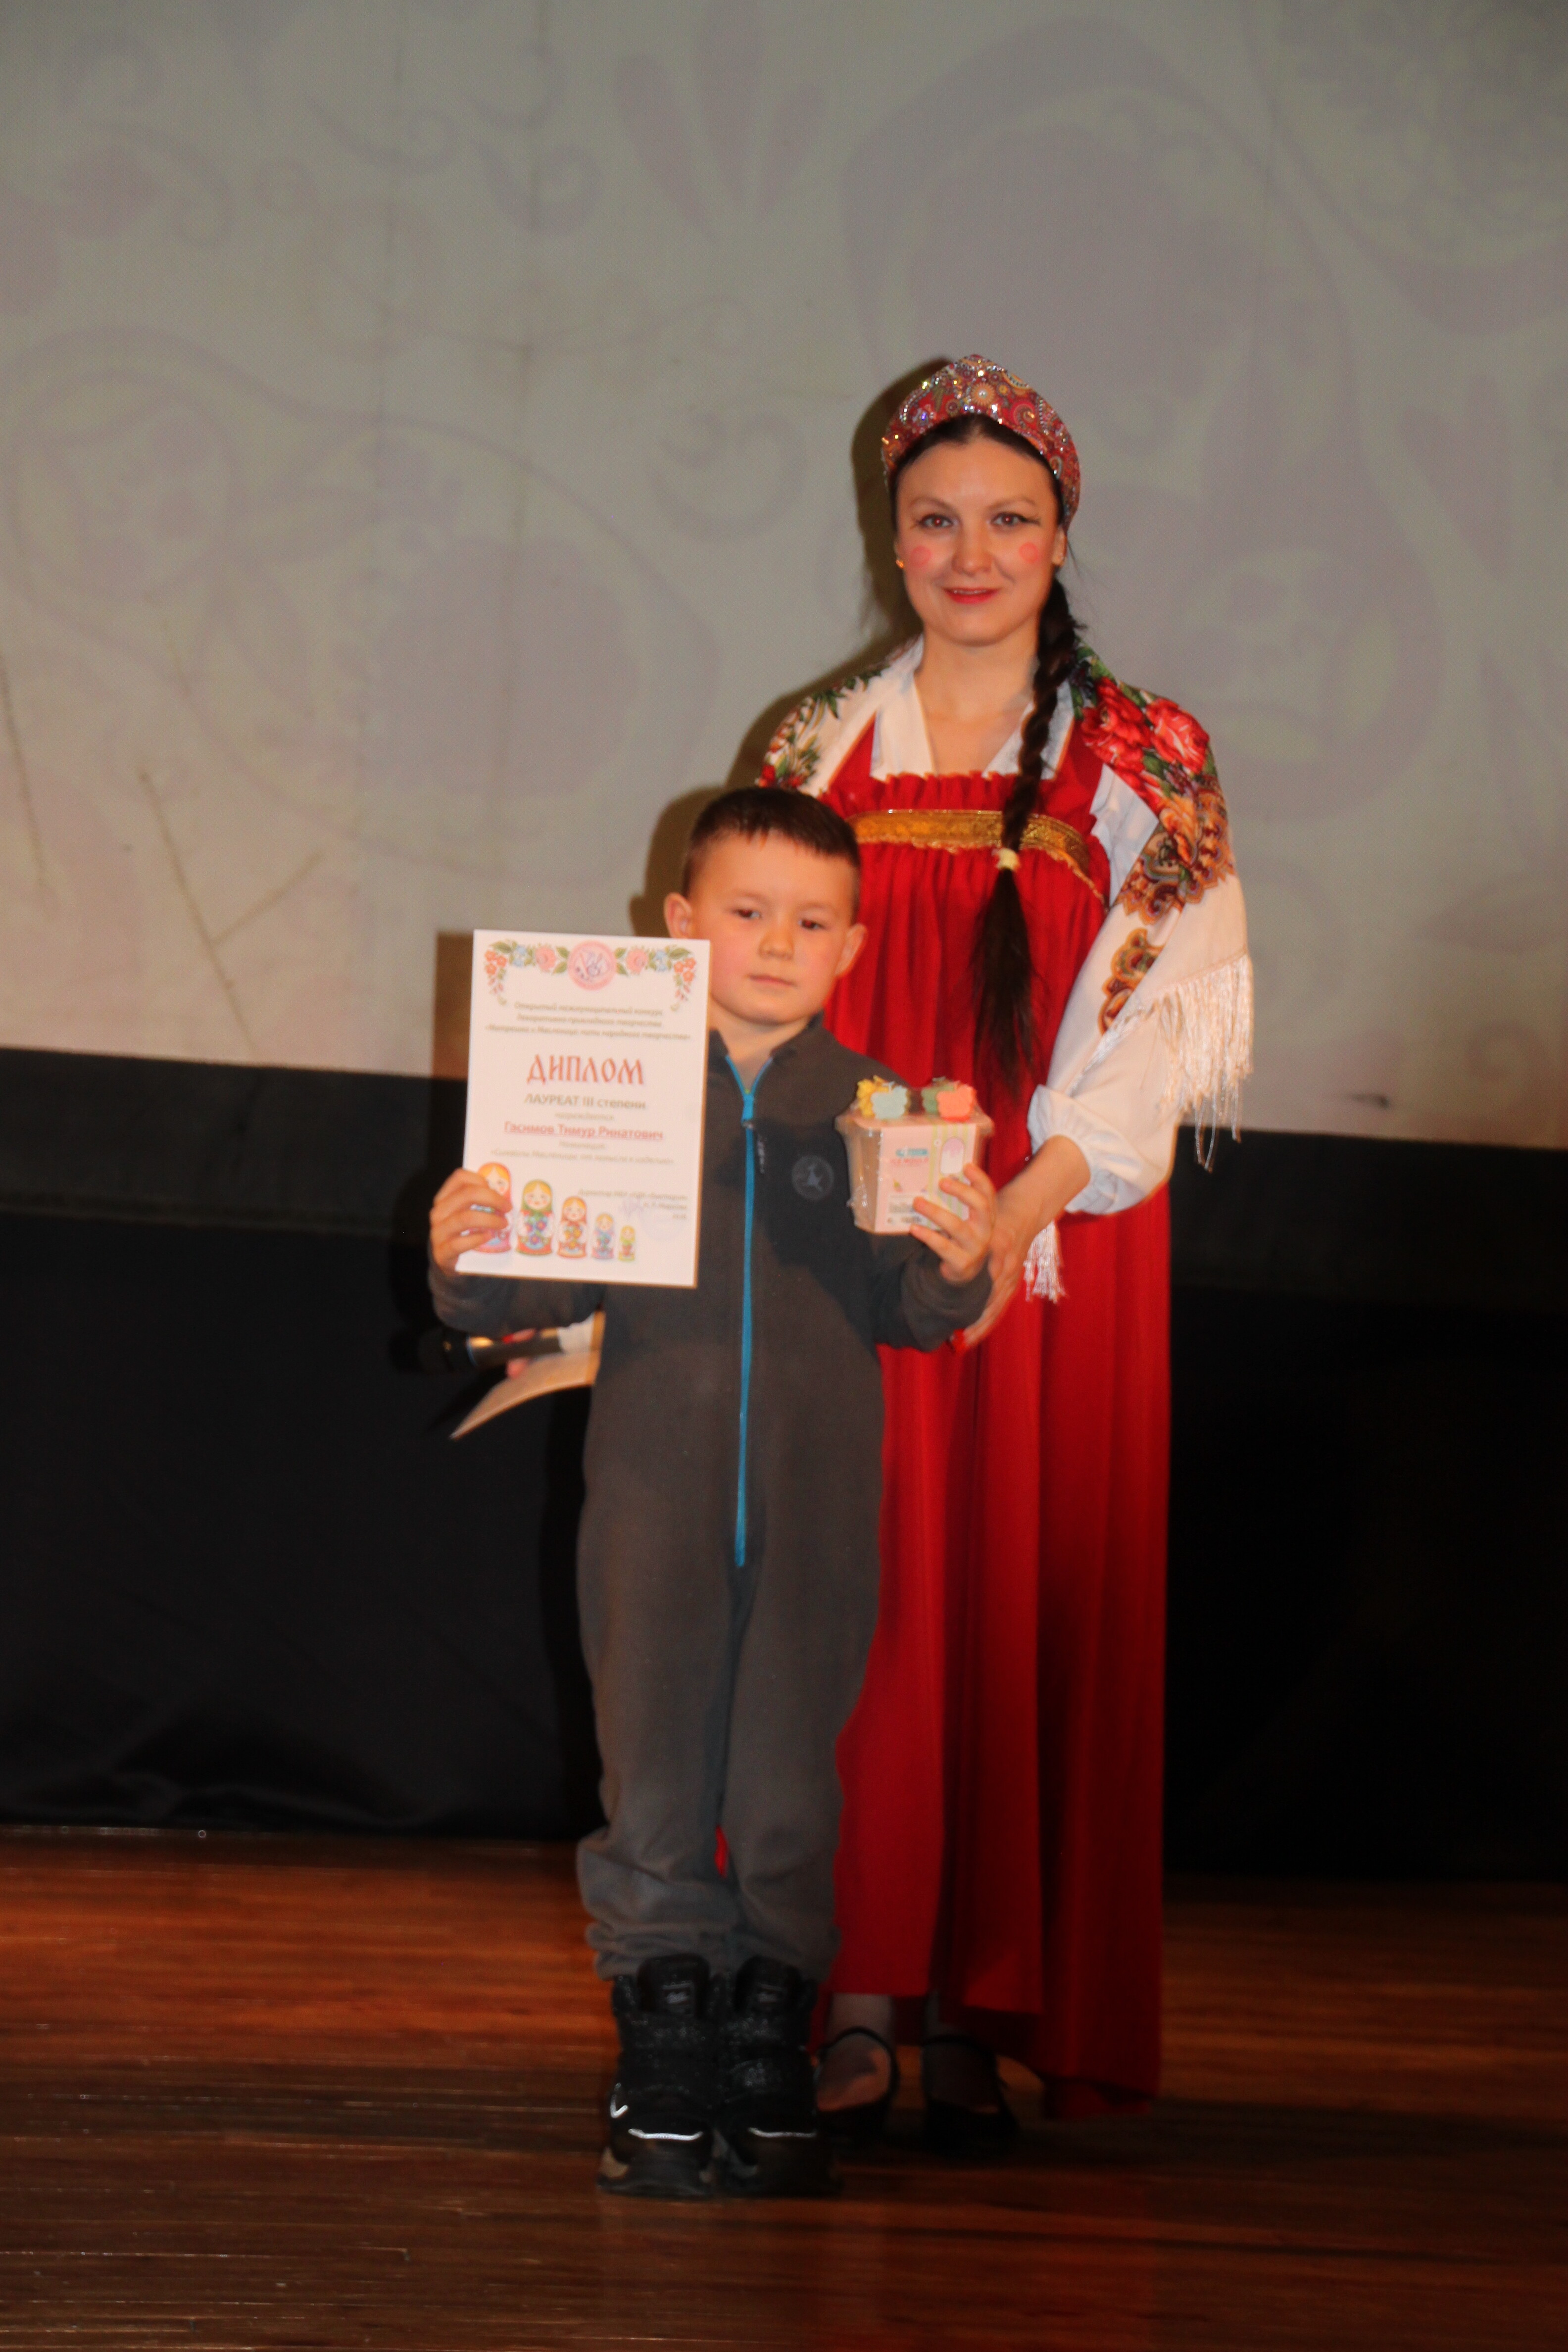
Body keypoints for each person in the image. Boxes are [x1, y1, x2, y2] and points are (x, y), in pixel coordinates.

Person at [759, 357, 1251, 2142]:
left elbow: (1165, 1022)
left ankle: (983, 2001)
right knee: (857, 1602)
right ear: (891, 538)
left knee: (1016, 1597)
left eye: (1010, 519)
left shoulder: (1145, 753)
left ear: (1061, 535)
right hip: (842, 1249)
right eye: (936, 520)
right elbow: (759, 974)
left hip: (1051, 1252)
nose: (972, 554)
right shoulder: (815, 746)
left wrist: (1007, 1218)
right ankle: (850, 1990)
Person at [429, 787, 995, 2199]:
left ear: (854, 945)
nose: (779, 943)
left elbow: (916, 1309)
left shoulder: (880, 1113)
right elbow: (528, 1286)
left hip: (818, 1522)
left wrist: (960, 1255)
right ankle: (665, 2045)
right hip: (651, 1510)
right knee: (655, 1777)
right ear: (680, 925)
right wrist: (469, 1252)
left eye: (813, 922)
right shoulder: (607, 1092)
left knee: (793, 1786)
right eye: (748, 912)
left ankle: (766, 2042)